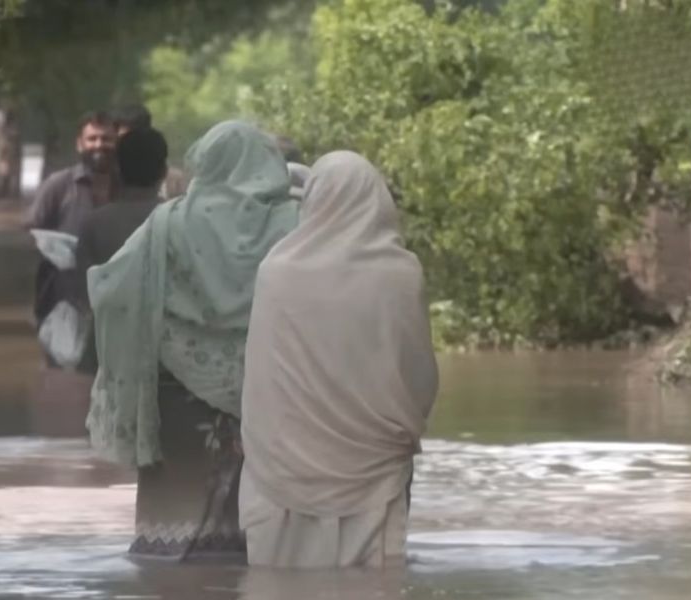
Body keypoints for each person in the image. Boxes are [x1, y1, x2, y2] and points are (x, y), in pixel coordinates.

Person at [86, 120, 298, 560]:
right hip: (271, 396)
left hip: (179, 396)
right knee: (259, 549)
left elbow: (115, 292)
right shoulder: (295, 222)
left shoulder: (170, 222)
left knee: (170, 553)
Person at [239, 151, 438, 569]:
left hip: (282, 466)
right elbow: (419, 373)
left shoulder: (277, 271)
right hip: (375, 467)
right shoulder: (401, 273)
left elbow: (260, 378)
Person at [74, 127, 171, 374]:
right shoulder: (179, 220)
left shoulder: (93, 223)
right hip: (166, 350)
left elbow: (83, 293)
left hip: (108, 347)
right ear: (164, 172)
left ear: (117, 170)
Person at [25, 111, 118, 361]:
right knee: (63, 379)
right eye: (93, 139)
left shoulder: (129, 187)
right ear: (80, 144)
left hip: (117, 299)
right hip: (63, 297)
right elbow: (30, 232)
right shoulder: (59, 185)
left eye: (107, 139)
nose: (99, 145)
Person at [114, 103, 189, 200]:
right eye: (125, 140)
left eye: (137, 139)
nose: (131, 146)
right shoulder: (108, 177)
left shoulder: (174, 180)